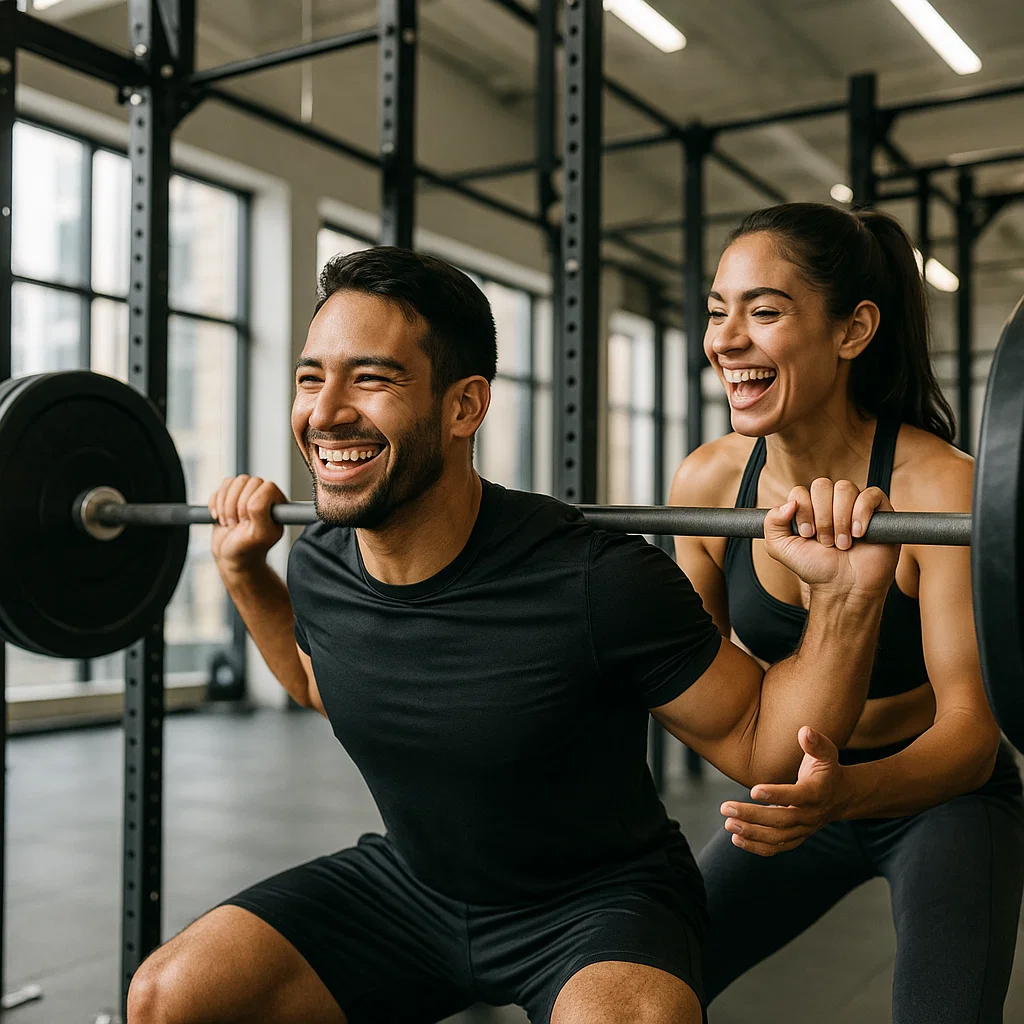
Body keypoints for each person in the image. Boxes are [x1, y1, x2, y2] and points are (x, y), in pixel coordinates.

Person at [128, 246, 896, 1024]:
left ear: (464, 407)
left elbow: (762, 744)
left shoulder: (596, 580)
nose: (324, 412)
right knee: (169, 996)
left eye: (371, 379)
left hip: (594, 904)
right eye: (309, 378)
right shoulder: (321, 562)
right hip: (411, 887)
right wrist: (244, 573)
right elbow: (318, 682)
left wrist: (847, 598)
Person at [670, 202, 1024, 1023]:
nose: (726, 339)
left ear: (853, 330)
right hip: (798, 794)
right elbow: (690, 677)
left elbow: (970, 734)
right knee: (650, 981)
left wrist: (842, 794)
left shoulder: (937, 487)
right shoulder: (708, 483)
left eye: (763, 312)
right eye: (718, 311)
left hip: (944, 795)